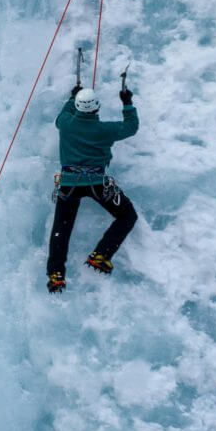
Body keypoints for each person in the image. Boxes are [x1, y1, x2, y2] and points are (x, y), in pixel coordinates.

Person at [46, 82, 139, 293]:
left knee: (62, 228)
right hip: (97, 183)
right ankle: (102, 254)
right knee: (127, 216)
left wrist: (73, 96)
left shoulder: (65, 123)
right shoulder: (105, 130)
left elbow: (64, 113)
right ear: (97, 107)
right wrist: (127, 102)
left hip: (70, 183)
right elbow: (131, 126)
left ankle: (56, 274)